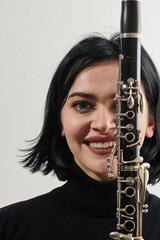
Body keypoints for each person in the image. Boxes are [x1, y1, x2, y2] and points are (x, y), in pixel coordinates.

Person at [0, 34, 160, 240]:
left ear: (150, 123)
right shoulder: (8, 228)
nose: (103, 124)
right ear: (59, 121)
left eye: (122, 105)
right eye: (83, 105)